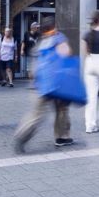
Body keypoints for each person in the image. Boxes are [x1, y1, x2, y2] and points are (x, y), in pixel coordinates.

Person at [14, 17, 74, 152]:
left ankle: (22, 134)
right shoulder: (58, 38)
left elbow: (35, 64)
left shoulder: (41, 41)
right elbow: (67, 54)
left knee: (36, 114)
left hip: (40, 84)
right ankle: (61, 137)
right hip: (56, 83)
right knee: (62, 110)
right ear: (54, 27)